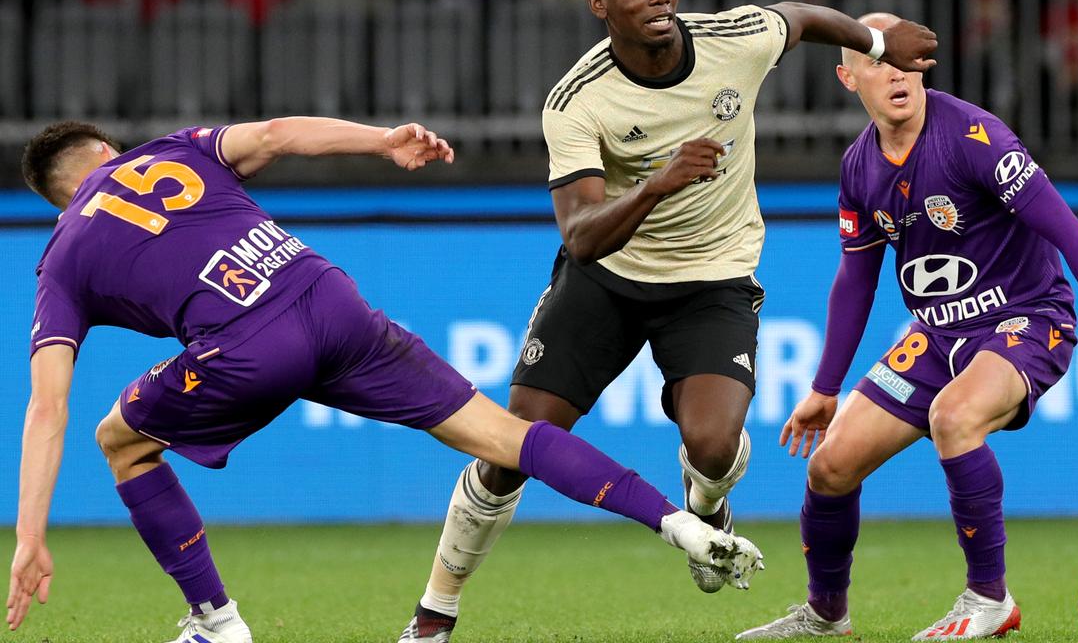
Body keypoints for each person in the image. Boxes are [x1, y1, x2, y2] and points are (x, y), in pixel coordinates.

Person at [3, 117, 765, 643]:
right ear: (108, 149)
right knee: (506, 436)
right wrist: (382, 141)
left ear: (57, 197)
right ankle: (680, 523)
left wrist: (30, 535)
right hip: (326, 296)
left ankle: (216, 620)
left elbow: (47, 405)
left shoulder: (63, 253)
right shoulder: (173, 151)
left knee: (122, 441)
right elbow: (274, 137)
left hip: (243, 348)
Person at [414, 0, 939, 642]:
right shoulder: (576, 101)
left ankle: (709, 504)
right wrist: (658, 183)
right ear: (600, 3)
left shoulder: (735, 39)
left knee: (715, 443)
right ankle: (434, 614)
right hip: (607, 279)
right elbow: (582, 236)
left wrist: (876, 47)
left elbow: (806, 17)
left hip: (714, 277)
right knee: (511, 447)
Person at [734, 13, 1078, 641]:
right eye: (876, 61)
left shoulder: (975, 136)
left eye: (904, 60)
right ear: (848, 78)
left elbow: (1066, 229)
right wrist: (825, 386)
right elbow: (855, 280)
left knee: (954, 417)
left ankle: (989, 600)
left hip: (1025, 319)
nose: (895, 73)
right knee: (829, 467)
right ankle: (826, 614)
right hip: (937, 334)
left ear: (922, 65)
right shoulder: (859, 167)